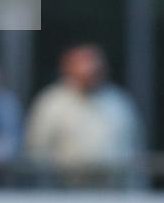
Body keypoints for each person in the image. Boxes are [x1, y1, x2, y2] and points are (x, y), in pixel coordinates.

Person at [25, 43, 145, 189]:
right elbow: (37, 151)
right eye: (82, 66)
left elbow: (134, 151)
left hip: (111, 194)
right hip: (64, 194)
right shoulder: (51, 103)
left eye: (94, 68)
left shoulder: (119, 103)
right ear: (67, 68)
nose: (89, 71)